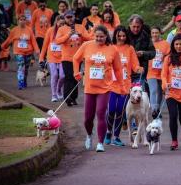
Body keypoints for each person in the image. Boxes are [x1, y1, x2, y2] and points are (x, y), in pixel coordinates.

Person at [73, 25, 123, 153]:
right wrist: (76, 73)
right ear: (93, 36)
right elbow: (76, 58)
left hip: (105, 87)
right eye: (97, 36)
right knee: (87, 118)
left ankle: (100, 142)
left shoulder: (112, 49)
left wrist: (121, 85)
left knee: (101, 113)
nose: (99, 39)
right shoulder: (87, 45)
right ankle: (89, 135)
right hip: (89, 87)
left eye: (101, 36)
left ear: (106, 36)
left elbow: (117, 69)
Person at [105, 26, 143, 146]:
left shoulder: (129, 48)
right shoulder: (110, 48)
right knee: (111, 110)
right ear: (115, 35)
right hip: (111, 84)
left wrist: (138, 68)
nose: (121, 38)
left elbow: (134, 64)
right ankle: (108, 132)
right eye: (119, 35)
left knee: (120, 110)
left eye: (123, 36)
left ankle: (116, 137)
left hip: (125, 85)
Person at [55, 10, 93, 106]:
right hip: (66, 58)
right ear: (65, 18)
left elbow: (89, 38)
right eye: (67, 17)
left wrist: (81, 35)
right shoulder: (62, 29)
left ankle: (74, 97)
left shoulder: (80, 27)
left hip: (78, 58)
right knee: (68, 77)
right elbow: (57, 41)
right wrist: (68, 35)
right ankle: (67, 98)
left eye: (71, 17)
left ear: (74, 17)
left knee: (76, 77)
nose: (70, 19)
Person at [1, 14, 40, 89]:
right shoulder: (14, 30)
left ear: (26, 21)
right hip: (18, 52)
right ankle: (20, 83)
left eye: (24, 20)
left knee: (26, 69)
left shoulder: (29, 30)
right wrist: (2, 46)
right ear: (18, 21)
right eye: (20, 20)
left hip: (28, 52)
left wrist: (37, 50)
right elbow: (9, 40)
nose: (22, 21)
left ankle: (24, 80)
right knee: (21, 67)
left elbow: (33, 41)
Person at [39, 15, 65, 102]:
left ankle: (58, 90)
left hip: (62, 57)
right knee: (54, 75)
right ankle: (54, 95)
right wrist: (41, 57)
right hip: (52, 56)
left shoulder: (66, 31)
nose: (61, 25)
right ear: (56, 22)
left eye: (63, 24)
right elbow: (45, 45)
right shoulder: (50, 30)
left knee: (62, 76)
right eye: (60, 24)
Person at [147, 26, 170, 119]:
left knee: (160, 92)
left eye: (156, 33)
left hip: (162, 72)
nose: (154, 35)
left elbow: (169, 56)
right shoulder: (147, 44)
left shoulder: (165, 44)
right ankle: (154, 110)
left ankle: (158, 110)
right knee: (154, 90)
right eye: (153, 33)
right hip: (150, 72)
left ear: (160, 33)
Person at [127, 14, 156, 88]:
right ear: (129, 25)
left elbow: (153, 53)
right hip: (125, 71)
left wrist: (143, 53)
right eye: (134, 27)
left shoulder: (145, 36)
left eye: (138, 27)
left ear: (141, 26)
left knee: (138, 96)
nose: (136, 29)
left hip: (140, 72)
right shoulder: (124, 35)